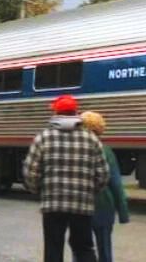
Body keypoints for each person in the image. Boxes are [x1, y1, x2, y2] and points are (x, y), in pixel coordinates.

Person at [23, 95, 110, 262]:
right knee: (84, 248)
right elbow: (103, 174)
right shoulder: (91, 139)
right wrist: (89, 192)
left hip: (53, 204)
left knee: (53, 249)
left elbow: (31, 172)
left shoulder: (43, 137)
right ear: (76, 112)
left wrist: (39, 191)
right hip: (82, 204)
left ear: (56, 112)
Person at [80, 111, 130, 262]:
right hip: (103, 206)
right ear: (100, 128)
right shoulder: (105, 150)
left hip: (79, 207)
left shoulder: (74, 149)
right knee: (105, 249)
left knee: (81, 249)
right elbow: (116, 184)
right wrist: (123, 212)